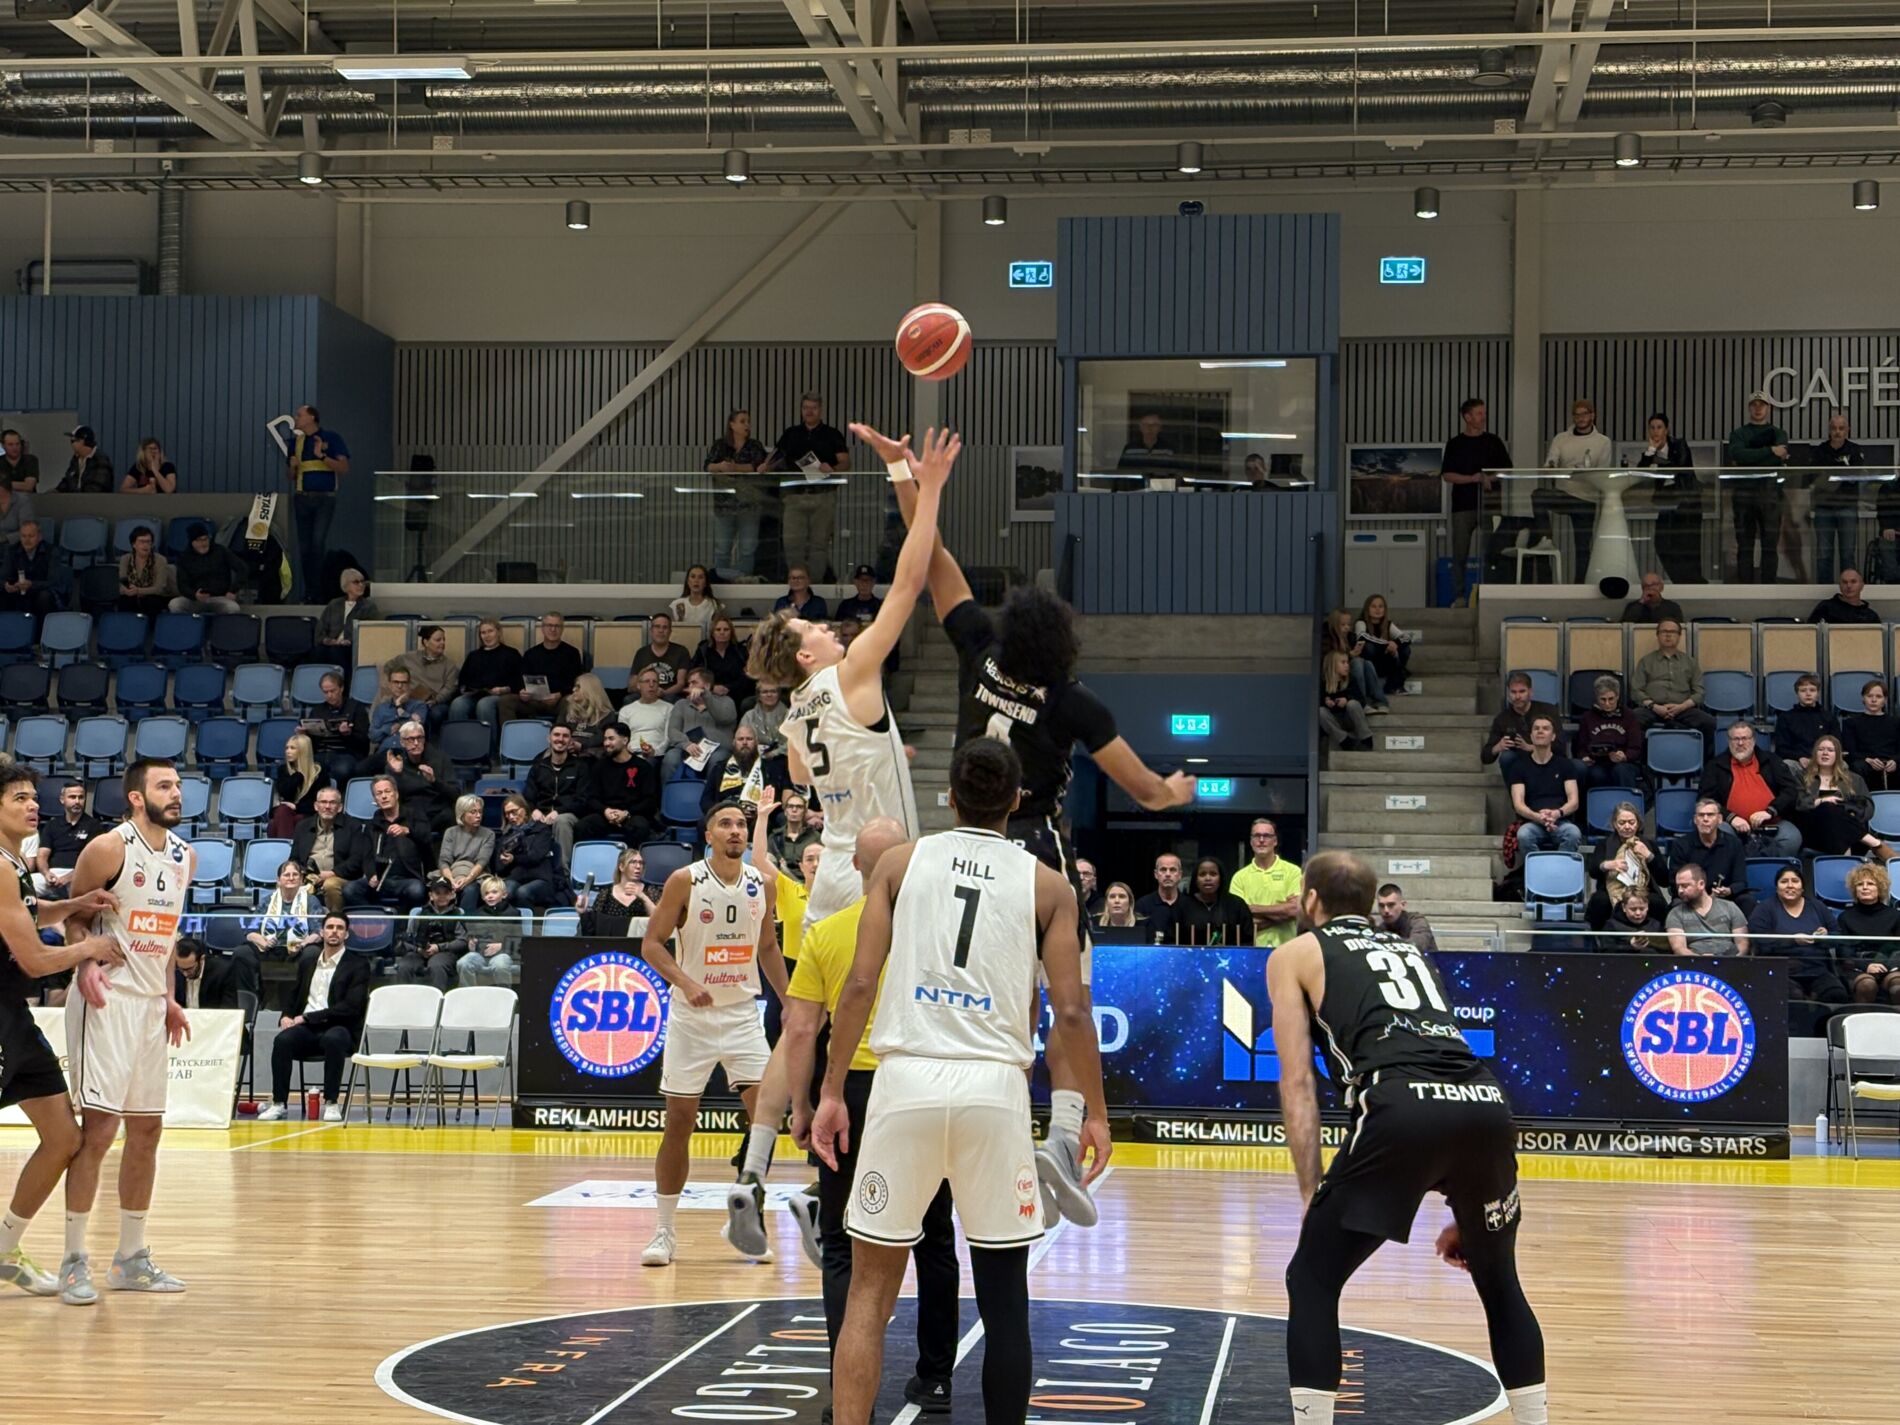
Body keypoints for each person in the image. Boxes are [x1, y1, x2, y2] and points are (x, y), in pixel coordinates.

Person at [812, 739, 1109, 1425]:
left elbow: (859, 985)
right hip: (993, 1089)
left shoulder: (898, 862)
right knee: (1005, 1303)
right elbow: (1071, 1012)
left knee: (868, 1296)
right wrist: (1093, 1112)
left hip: (905, 1080)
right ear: (1017, 800)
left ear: (948, 796)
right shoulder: (1049, 885)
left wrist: (831, 1090)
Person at [1268, 850, 1547, 1425]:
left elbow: (1297, 1083)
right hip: (1484, 1103)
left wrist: (1311, 1194)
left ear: (1311, 900)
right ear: (1371, 903)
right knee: (1499, 1281)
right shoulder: (1410, 950)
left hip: (1398, 1105)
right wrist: (1468, 1204)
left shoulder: (1295, 953)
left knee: (1312, 1277)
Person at [752, 816, 959, 1414]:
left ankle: (848, 1392)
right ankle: (936, 1378)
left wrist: (803, 1103)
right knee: (934, 1238)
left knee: (842, 1243)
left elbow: (800, 1029)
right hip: (923, 1088)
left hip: (854, 1094)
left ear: (856, 867)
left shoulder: (829, 931)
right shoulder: (941, 933)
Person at [747, 427, 953, 945]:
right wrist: (921, 484)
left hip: (834, 866)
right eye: (813, 628)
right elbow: (908, 584)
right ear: (805, 656)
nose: (825, 626)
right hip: (879, 865)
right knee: (882, 988)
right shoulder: (853, 670)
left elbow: (802, 775)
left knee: (819, 991)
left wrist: (877, 749)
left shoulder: (795, 713)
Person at [58, 758, 195, 1304]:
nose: (176, 793)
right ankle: (73, 1260)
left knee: (148, 1130)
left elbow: (166, 937)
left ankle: (131, 1257)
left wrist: (169, 997)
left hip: (149, 1006)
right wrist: (84, 963)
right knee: (98, 1132)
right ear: (137, 797)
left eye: (178, 785)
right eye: (165, 786)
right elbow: (74, 917)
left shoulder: (185, 856)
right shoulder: (108, 848)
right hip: (106, 1000)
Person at [637, 801, 788, 1267]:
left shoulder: (763, 884)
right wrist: (685, 982)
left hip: (742, 1014)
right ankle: (664, 1231)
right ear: (709, 835)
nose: (735, 830)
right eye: (726, 824)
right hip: (691, 1017)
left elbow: (768, 947)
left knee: (766, 1119)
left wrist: (792, 1001)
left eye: (741, 824)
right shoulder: (685, 880)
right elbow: (651, 945)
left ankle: (746, 1217)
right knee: (679, 1122)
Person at [0, 765, 124, 1298]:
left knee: (64, 1138)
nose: (33, 806)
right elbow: (32, 959)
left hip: (13, 1017)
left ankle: (5, 1250)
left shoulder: (15, 863)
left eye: (34, 797)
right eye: (19, 798)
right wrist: (89, 948)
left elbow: (29, 913)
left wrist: (74, 905)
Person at [257, 913, 369, 1121]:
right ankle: (279, 1103)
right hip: (308, 1029)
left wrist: (308, 1018)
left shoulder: (357, 964)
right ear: (322, 932)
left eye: (340, 928)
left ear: (346, 934)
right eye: (330, 927)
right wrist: (286, 1015)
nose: (334, 931)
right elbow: (294, 994)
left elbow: (351, 1007)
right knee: (282, 1041)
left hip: (340, 1026)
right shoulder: (308, 962)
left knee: (333, 1039)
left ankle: (331, 1102)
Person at [769, 393, 851, 579]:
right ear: (801, 410)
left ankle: (815, 585)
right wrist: (765, 466)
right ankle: (796, 582)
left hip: (823, 495)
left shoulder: (832, 434)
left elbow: (846, 463)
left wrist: (832, 468)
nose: (809, 411)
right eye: (806, 407)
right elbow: (776, 457)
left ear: (820, 410)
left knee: (819, 545)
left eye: (813, 408)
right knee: (792, 544)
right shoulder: (791, 433)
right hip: (794, 495)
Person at [1698, 721, 1800, 857]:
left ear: (1753, 740)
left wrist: (1770, 811)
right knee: (1720, 834)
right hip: (1731, 826)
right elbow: (1705, 799)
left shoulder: (1772, 761)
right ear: (1729, 741)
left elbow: (1791, 791)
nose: (1740, 743)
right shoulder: (1715, 766)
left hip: (1773, 823)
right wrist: (1731, 817)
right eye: (1736, 739)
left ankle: (1772, 868)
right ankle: (1738, 868)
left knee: (1792, 838)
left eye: (1745, 738)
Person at [1748, 867, 1847, 1003]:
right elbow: (1759, 939)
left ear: (1802, 887)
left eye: (1795, 881)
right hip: (1781, 970)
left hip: (1817, 970)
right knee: (1794, 997)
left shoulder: (1817, 906)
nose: (1790, 885)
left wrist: (1825, 936)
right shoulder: (1764, 909)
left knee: (1836, 994)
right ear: (1777, 887)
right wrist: (1793, 940)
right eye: (1784, 882)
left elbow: (1838, 936)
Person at [1792, 733, 1893, 861]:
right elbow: (1798, 803)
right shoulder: (1801, 777)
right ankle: (1876, 844)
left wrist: (1846, 812)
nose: (1825, 753)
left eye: (1830, 750)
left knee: (1835, 817)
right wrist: (1821, 801)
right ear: (1814, 753)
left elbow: (1868, 806)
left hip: (1852, 835)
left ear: (1838, 755)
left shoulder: (1854, 779)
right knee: (1827, 808)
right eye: (1821, 749)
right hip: (1814, 834)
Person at [1726, 390, 1792, 584]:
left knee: (1770, 547)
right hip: (1743, 496)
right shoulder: (1738, 433)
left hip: (1770, 494)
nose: (1758, 408)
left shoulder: (1778, 433)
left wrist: (1751, 456)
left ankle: (1769, 589)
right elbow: (1738, 454)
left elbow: (1775, 458)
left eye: (1761, 405)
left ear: (1768, 408)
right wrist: (1770, 450)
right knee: (1744, 547)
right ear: (1749, 408)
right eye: (1754, 405)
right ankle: (1745, 590)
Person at [287, 405, 350, 600]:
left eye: (300, 415)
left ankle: (320, 592)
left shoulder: (331, 438)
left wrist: (322, 456)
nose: (296, 418)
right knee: (305, 548)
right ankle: (311, 592)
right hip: (302, 498)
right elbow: (291, 476)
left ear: (312, 417)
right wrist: (292, 467)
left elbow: (343, 468)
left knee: (317, 544)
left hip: (324, 498)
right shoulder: (295, 443)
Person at [238, 860, 319, 1007]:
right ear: (278, 880)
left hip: (298, 951)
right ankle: (250, 1004)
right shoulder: (267, 901)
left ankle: (301, 1005)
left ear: (301, 880)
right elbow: (250, 931)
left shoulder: (311, 901)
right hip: (270, 949)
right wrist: (263, 942)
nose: (291, 878)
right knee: (242, 952)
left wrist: (302, 944)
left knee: (312, 953)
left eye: (295, 875)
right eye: (286, 875)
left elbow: (318, 932)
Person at [342, 776, 430, 911]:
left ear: (396, 794)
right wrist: (371, 874)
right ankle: (378, 915)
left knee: (416, 890)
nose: (384, 796)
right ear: (375, 800)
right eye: (379, 793)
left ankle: (400, 920)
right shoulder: (372, 825)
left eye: (387, 791)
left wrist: (408, 831)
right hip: (381, 880)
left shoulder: (414, 816)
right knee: (350, 889)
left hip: (407, 879)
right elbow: (366, 856)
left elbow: (426, 840)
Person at [1630, 619, 1716, 755]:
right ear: (1657, 635)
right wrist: (1654, 706)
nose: (1668, 635)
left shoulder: (1690, 662)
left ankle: (1704, 763)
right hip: (1652, 708)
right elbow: (1636, 690)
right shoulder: (1646, 661)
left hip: (1683, 709)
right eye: (1664, 631)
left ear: (1679, 636)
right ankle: (1640, 763)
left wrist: (1682, 707)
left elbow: (1699, 692)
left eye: (1673, 632)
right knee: (1632, 719)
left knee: (1709, 722)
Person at [705, 408, 771, 577]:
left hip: (749, 504)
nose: (747, 425)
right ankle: (721, 580)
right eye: (742, 421)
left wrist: (735, 468)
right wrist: (720, 466)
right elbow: (708, 466)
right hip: (724, 505)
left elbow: (758, 466)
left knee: (748, 548)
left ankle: (744, 581)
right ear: (732, 424)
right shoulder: (720, 445)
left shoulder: (754, 445)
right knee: (722, 548)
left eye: (748, 422)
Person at [1638, 414, 1701, 584]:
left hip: (1687, 501)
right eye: (1652, 427)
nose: (1655, 431)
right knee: (1662, 544)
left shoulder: (1679, 445)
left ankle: (1694, 584)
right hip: (1666, 501)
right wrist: (1651, 451)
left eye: (1659, 427)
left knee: (1687, 546)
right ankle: (1680, 581)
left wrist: (1656, 458)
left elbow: (1679, 466)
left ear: (1666, 430)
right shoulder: (1651, 451)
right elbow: (1640, 471)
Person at [1809, 409, 1870, 580]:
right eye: (1834, 428)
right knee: (1823, 555)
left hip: (1847, 507)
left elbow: (1854, 477)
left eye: (1841, 428)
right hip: (1824, 508)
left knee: (1847, 554)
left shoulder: (1855, 450)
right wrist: (1841, 473)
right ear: (1829, 430)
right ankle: (1824, 591)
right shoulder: (1820, 450)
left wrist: (1831, 476)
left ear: (1847, 430)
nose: (1837, 431)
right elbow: (1816, 479)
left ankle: (1848, 590)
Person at [288, 786, 368, 916]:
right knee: (286, 881)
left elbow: (356, 860)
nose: (327, 806)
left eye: (332, 803)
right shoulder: (303, 826)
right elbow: (294, 858)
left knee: (330, 884)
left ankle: (335, 920)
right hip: (309, 876)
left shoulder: (353, 826)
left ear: (340, 807)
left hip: (341, 877)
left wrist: (332, 873)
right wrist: (303, 875)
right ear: (316, 806)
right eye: (323, 802)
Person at [1585, 801, 1662, 933]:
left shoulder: (1648, 844)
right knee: (1600, 901)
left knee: (1656, 902)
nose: (1627, 827)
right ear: (1615, 824)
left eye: (1631, 822)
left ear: (1638, 823)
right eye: (1622, 823)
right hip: (1612, 890)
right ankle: (1601, 940)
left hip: (1642, 890)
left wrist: (1649, 856)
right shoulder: (1605, 844)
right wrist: (1607, 865)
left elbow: (1664, 878)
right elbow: (1593, 871)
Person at [576, 723, 658, 848]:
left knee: (640, 826)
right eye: (605, 739)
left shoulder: (643, 767)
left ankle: (631, 859)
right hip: (606, 814)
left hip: (632, 814)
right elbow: (591, 797)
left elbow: (650, 801)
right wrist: (605, 811)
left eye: (611, 739)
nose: (606, 743)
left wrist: (626, 813)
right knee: (582, 826)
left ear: (625, 740)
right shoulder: (599, 766)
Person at [1508, 715, 1581, 854]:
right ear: (1531, 736)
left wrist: (1556, 814)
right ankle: (1537, 866)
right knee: (1523, 835)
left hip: (1560, 822)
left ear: (1553, 736)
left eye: (1545, 728)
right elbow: (1518, 804)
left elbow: (1574, 802)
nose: (1540, 731)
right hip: (1532, 822)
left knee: (1573, 833)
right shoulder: (1518, 767)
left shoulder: (1565, 765)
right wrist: (1538, 817)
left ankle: (1559, 866)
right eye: (1536, 728)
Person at [1665, 798, 1752, 913]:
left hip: (1725, 898)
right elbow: (1674, 882)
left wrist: (1729, 890)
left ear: (1720, 819)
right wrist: (1699, 895)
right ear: (1695, 820)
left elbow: (1741, 881)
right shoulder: (1681, 845)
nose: (1705, 819)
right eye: (1701, 815)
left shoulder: (1734, 843)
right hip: (1691, 897)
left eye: (1710, 815)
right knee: (1676, 905)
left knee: (1747, 901)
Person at [523, 721, 590, 864]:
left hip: (568, 815)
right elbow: (528, 795)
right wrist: (534, 810)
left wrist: (558, 812)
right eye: (556, 735)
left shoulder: (580, 767)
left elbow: (582, 800)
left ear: (570, 741)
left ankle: (562, 871)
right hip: (541, 814)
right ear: (549, 738)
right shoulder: (538, 766)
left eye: (565, 736)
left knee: (561, 821)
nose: (560, 739)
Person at [1232, 818, 1303, 948]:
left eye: (1267, 836)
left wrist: (1251, 908)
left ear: (1275, 841)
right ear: (1251, 841)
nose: (1261, 840)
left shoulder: (1293, 872)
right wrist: (1282, 915)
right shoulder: (1239, 877)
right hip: (1251, 950)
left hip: (1286, 949)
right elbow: (1238, 922)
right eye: (1257, 835)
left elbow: (1294, 910)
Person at [1835, 864, 1900, 1005]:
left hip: (1890, 966)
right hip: (1858, 968)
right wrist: (1866, 966)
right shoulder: (1845, 917)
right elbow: (1844, 952)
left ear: (1880, 888)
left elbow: (1897, 948)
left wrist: (1884, 965)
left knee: (1898, 986)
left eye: (1870, 884)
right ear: (1855, 889)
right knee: (1867, 986)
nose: (1864, 887)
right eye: (1860, 884)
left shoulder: (1895, 915)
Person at [661, 668, 739, 783]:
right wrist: (686, 744)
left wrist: (706, 696)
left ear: (707, 686)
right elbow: (673, 730)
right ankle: (669, 793)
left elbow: (724, 718)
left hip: (718, 749)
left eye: (694, 682)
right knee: (671, 758)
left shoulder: (726, 701)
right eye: (689, 683)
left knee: (718, 759)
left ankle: (711, 794)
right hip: (688, 748)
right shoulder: (681, 704)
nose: (690, 686)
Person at [384, 721, 460, 839]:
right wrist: (397, 774)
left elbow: (455, 794)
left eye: (419, 738)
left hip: (436, 814)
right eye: (411, 739)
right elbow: (392, 797)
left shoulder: (440, 759)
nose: (416, 743)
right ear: (402, 742)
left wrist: (434, 781)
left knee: (450, 815)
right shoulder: (396, 763)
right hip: (410, 816)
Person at [1483, 673, 1562, 782]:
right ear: (1508, 694)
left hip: (1548, 759)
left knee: (1577, 767)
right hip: (1520, 763)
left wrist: (1530, 747)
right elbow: (1485, 757)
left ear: (1530, 692)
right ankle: (1515, 792)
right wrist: (1498, 747)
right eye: (1513, 692)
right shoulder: (1502, 718)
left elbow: (1560, 746)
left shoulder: (1548, 711)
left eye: (1522, 691)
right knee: (1506, 757)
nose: (1517, 696)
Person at [487, 793, 561, 910]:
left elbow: (535, 857)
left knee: (523, 892)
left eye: (514, 812)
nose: (511, 817)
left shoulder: (541, 830)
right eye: (507, 814)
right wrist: (504, 861)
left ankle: (527, 922)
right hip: (516, 878)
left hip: (541, 878)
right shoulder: (506, 837)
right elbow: (499, 869)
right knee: (505, 892)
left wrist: (514, 859)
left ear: (525, 809)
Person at [1571, 674, 1644, 791]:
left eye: (1611, 699)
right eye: (1603, 699)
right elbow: (1580, 747)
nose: (1607, 703)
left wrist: (1625, 756)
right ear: (1596, 697)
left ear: (1617, 696)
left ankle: (1627, 802)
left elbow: (1636, 747)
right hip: (1597, 762)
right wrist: (1585, 757)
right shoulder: (1587, 717)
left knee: (1621, 771)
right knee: (1595, 774)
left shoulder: (1629, 716)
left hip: (1625, 763)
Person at [33, 783, 106, 900]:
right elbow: (42, 856)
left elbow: (93, 861)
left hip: (80, 874)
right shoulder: (52, 825)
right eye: (72, 797)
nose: (77, 801)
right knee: (22, 886)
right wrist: (46, 874)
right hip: (53, 874)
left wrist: (68, 878)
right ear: (62, 799)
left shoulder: (94, 825)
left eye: (81, 797)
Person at [396, 876, 467, 993]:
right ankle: (404, 998)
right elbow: (407, 939)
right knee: (405, 966)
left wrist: (439, 947)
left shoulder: (457, 915)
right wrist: (418, 949)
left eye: (446, 893)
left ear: (452, 895)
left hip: (446, 952)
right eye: (438, 893)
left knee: (436, 965)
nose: (442, 896)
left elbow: (462, 941)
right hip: (419, 952)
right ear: (431, 895)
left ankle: (438, 1000)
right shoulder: (420, 914)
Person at [450, 618, 522, 729]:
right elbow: (463, 679)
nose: (487, 636)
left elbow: (519, 681)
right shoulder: (473, 656)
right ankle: (460, 738)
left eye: (490, 631)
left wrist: (504, 689)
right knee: (458, 704)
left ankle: (489, 740)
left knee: (484, 705)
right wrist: (466, 689)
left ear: (498, 632)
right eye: (483, 633)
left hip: (500, 695)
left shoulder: (511, 654)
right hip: (475, 695)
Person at [1665, 863, 1750, 957]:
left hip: (1729, 961)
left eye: (1685, 886)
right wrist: (1703, 961)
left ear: (1701, 884)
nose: (1680, 891)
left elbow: (1742, 944)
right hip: (1694, 963)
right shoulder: (1675, 914)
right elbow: (1679, 949)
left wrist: (1729, 961)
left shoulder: (1730, 907)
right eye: (1678, 886)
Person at [386, 625, 460, 732]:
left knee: (436, 713)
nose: (442, 643)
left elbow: (450, 688)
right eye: (438, 640)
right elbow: (389, 666)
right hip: (410, 698)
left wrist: (436, 700)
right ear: (426, 642)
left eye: (444, 640)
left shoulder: (450, 665)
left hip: (435, 702)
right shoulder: (408, 658)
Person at [1173, 857, 1256, 947]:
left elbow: (1248, 940)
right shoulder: (1182, 905)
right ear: (1195, 879)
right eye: (1202, 874)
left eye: (1213, 874)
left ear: (1221, 878)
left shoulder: (1236, 905)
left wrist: (1227, 950)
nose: (1208, 878)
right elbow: (1172, 941)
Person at [166, 524, 245, 617]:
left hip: (220, 597)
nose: (203, 543)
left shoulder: (221, 551)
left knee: (233, 608)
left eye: (205, 539)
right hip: (195, 599)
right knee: (175, 604)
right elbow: (182, 585)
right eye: (199, 540)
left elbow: (242, 568)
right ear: (192, 542)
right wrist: (194, 595)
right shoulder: (184, 558)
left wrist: (233, 590)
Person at [456, 877, 522, 985]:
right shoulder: (478, 914)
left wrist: (501, 946)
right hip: (480, 954)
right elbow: (471, 934)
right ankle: (468, 994)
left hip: (503, 953)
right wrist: (471, 941)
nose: (490, 896)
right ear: (483, 897)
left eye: (494, 892)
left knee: (500, 965)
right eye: (486, 893)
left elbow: (519, 939)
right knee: (463, 963)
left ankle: (503, 995)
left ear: (504, 894)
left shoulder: (514, 913)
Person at [577, 848, 656, 938]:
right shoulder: (606, 894)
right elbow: (594, 926)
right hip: (612, 944)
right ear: (621, 867)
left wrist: (642, 896)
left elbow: (660, 920)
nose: (638, 866)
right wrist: (583, 912)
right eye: (633, 862)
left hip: (640, 943)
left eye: (641, 863)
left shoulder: (650, 891)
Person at [1323, 607, 1387, 713]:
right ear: (1334, 625)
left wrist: (1358, 651)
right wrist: (1350, 655)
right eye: (1343, 625)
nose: (1347, 628)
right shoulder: (1327, 637)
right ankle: (1362, 703)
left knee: (1367, 663)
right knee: (1357, 663)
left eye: (1348, 624)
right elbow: (1330, 659)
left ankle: (1381, 701)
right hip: (1335, 672)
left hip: (1349, 669)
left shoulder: (1350, 637)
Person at [1842, 679, 1900, 792]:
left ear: (1885, 700)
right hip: (1865, 763)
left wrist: (1895, 761)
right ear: (1863, 698)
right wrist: (1868, 760)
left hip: (1891, 763)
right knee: (1857, 767)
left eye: (1878, 696)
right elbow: (1850, 751)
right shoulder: (1851, 723)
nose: (1874, 700)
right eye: (1869, 696)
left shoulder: (1896, 723)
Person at [1773, 673, 1838, 773]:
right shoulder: (1785, 718)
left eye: (1812, 690)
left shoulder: (1829, 717)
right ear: (1797, 694)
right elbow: (1781, 748)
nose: (1808, 694)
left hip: (1824, 760)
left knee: (1843, 766)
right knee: (1787, 765)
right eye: (1803, 690)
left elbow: (1836, 744)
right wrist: (1799, 757)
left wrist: (1820, 759)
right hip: (1797, 761)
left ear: (1818, 693)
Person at [270, 733, 331, 838]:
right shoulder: (283, 770)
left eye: (292, 748)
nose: (288, 751)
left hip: (309, 812)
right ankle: (288, 847)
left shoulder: (319, 773)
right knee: (282, 810)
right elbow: (285, 792)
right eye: (287, 748)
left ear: (303, 751)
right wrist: (298, 776)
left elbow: (322, 802)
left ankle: (285, 846)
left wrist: (296, 807)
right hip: (286, 812)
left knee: (295, 820)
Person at [436, 794, 495, 902]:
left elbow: (482, 861)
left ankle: (464, 915)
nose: (478, 816)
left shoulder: (488, 834)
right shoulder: (450, 832)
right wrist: (450, 881)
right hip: (452, 873)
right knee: (440, 889)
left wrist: (467, 879)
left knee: (470, 889)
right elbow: (444, 861)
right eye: (473, 812)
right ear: (462, 814)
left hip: (476, 875)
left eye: (480, 812)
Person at [1354, 594, 1412, 697]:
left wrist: (1395, 644)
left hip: (1385, 662)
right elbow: (1362, 637)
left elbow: (1407, 637)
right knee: (1369, 647)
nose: (1377, 609)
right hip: (1370, 664)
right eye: (1373, 606)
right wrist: (1386, 644)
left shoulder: (1388, 624)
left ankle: (1394, 684)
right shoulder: (1361, 623)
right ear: (1367, 609)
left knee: (1405, 649)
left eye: (1381, 606)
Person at [0, 521, 60, 620]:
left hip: (40, 591)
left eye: (31, 536)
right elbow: (2, 577)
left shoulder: (52, 552)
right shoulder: (12, 551)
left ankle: (42, 629)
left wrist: (32, 584)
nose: (27, 540)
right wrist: (6, 585)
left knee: (44, 597)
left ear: (39, 537)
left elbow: (54, 581)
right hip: (17, 591)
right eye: (23, 536)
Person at [1319, 650, 1375, 752]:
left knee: (1353, 704)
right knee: (1320, 711)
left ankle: (1366, 737)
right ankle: (1344, 740)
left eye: (1347, 662)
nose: (1347, 665)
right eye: (1343, 662)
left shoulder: (1351, 679)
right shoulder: (1323, 682)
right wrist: (1327, 702)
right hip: (1335, 720)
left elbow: (1361, 700)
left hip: (1349, 718)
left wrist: (1347, 700)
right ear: (1333, 665)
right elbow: (1319, 701)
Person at [316, 569, 377, 661]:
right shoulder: (334, 604)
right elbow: (320, 631)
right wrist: (331, 641)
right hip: (332, 645)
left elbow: (370, 633)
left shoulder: (368, 607)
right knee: (317, 652)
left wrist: (349, 641)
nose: (361, 585)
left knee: (336, 653)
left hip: (353, 647)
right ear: (346, 585)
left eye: (362, 582)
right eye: (356, 582)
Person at [691, 615, 752, 704]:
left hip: (737, 694)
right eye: (718, 629)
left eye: (726, 630)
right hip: (709, 693)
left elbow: (747, 676)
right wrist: (712, 687)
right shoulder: (704, 650)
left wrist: (728, 688)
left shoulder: (741, 651)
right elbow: (693, 674)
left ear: (731, 633)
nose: (722, 632)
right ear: (712, 633)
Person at [616, 668, 673, 760]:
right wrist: (628, 751)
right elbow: (622, 737)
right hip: (631, 754)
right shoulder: (626, 710)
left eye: (655, 681)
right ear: (639, 685)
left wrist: (655, 752)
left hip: (655, 755)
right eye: (647, 681)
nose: (651, 685)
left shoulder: (669, 708)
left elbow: (668, 738)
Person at [116, 528, 174, 616]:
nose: (146, 545)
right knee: (124, 601)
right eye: (142, 542)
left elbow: (160, 588)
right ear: (133, 544)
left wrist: (138, 591)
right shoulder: (125, 559)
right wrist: (125, 590)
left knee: (152, 602)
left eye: (148, 542)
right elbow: (121, 581)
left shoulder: (160, 560)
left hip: (153, 596)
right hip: (131, 595)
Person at [368, 667, 425, 755]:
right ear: (390, 684)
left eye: (404, 682)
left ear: (409, 685)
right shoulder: (381, 708)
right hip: (384, 752)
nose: (399, 686)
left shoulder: (419, 706)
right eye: (396, 682)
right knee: (362, 764)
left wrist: (399, 707)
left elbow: (415, 728)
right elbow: (373, 736)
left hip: (407, 753)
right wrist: (388, 728)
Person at [171, 939, 238, 1010]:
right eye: (181, 969)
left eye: (189, 969)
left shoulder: (223, 972)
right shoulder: (174, 972)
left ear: (201, 959)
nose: (185, 974)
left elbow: (228, 1008)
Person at [631, 612, 686, 696]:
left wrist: (664, 693)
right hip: (645, 695)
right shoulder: (641, 653)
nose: (661, 630)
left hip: (670, 695)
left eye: (665, 627)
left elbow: (681, 684)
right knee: (628, 699)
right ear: (651, 630)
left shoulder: (681, 651)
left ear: (670, 631)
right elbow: (632, 685)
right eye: (657, 626)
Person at [1135, 852, 1186, 942]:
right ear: (1156, 874)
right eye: (1163, 869)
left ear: (1180, 875)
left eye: (1172, 870)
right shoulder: (1142, 905)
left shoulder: (1189, 905)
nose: (1168, 874)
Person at [1115, 411, 1175, 487]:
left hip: (1161, 491)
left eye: (1154, 425)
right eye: (1146, 425)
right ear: (1140, 427)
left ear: (1160, 428)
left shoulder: (1168, 450)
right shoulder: (1130, 449)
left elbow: (1175, 475)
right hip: (1134, 491)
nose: (1150, 428)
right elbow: (1121, 474)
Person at [1375, 882, 1438, 952]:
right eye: (1381, 906)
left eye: (1391, 905)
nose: (1386, 910)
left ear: (1403, 905)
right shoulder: (1381, 928)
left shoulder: (1417, 921)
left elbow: (1416, 946)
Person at [1808, 567, 1880, 625]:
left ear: (1862, 585)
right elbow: (1809, 634)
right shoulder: (1825, 608)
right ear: (1840, 586)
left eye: (1853, 582)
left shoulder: (1871, 616)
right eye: (1845, 582)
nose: (1849, 586)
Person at [563, 673, 617, 750]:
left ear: (590, 690)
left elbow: (603, 738)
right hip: (565, 749)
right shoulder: (567, 709)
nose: (574, 689)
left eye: (578, 687)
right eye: (574, 686)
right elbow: (558, 730)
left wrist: (581, 745)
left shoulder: (607, 714)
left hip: (591, 752)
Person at [669, 565, 723, 636]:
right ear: (688, 581)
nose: (696, 581)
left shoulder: (715, 605)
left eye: (700, 577)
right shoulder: (677, 604)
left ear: (706, 583)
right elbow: (673, 631)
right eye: (693, 577)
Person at [57, 427, 113, 494]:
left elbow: (97, 487)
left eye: (74, 440)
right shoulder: (76, 459)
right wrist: (56, 491)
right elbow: (68, 480)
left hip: (94, 500)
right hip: (76, 498)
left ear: (85, 441)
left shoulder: (100, 460)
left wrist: (76, 495)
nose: (72, 444)